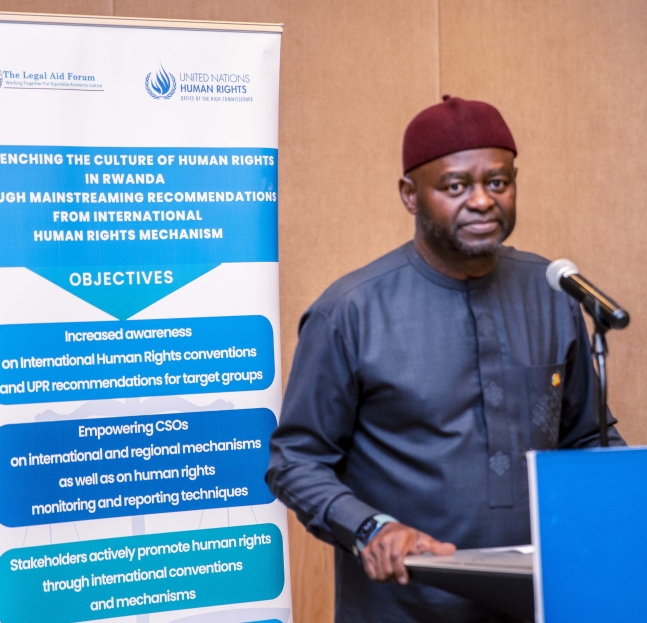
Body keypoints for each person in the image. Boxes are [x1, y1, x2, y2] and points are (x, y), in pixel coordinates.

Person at [266, 95, 625, 623]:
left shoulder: (553, 293)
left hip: (542, 603)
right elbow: (295, 459)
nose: (482, 201)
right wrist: (371, 528)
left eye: (497, 183)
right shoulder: (350, 311)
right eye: (456, 186)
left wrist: (641, 498)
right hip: (404, 607)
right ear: (411, 195)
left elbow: (584, 438)